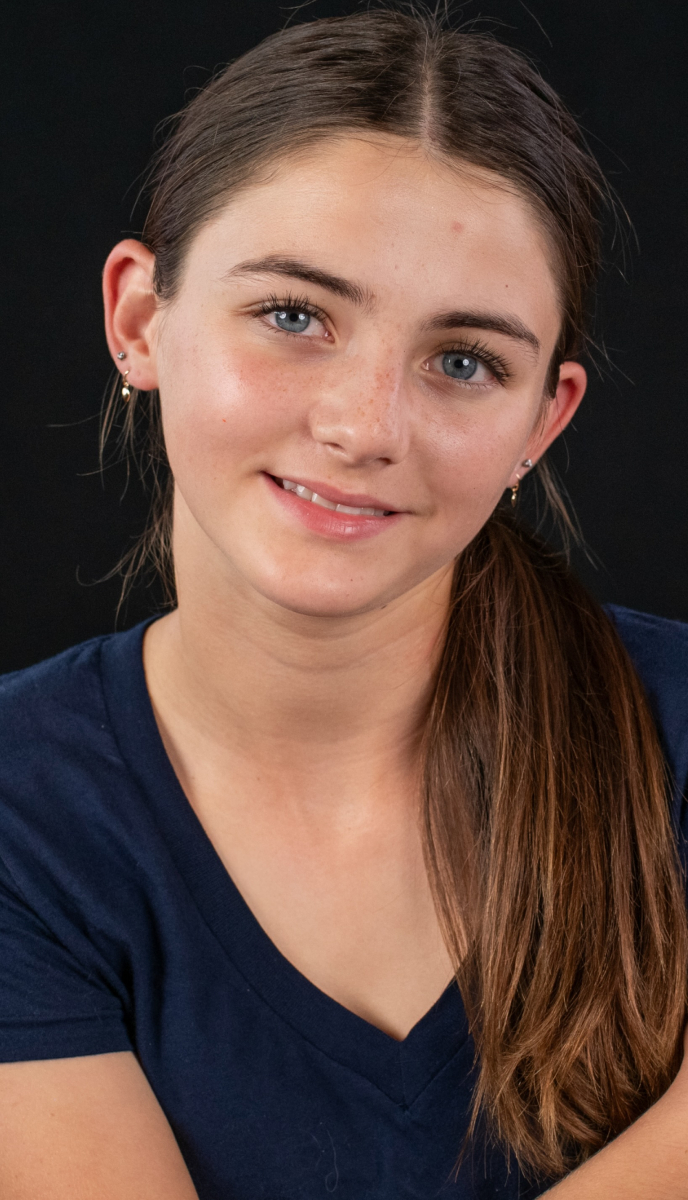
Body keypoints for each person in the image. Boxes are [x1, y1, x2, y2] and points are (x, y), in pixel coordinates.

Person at [0, 8, 686, 1198]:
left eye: (463, 361)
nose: (365, 427)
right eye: (292, 316)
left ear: (543, 420)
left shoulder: (673, 727)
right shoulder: (20, 809)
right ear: (139, 319)